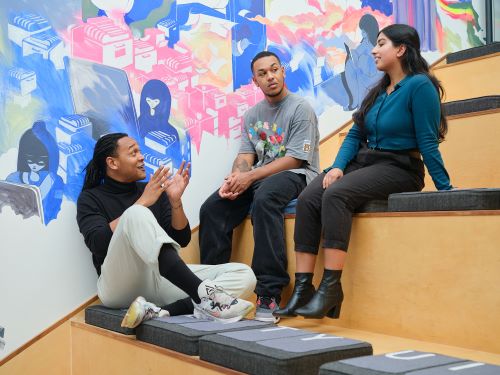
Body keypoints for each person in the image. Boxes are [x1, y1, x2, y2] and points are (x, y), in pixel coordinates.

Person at [274, 24, 453, 320]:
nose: (373, 49)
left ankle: (331, 288)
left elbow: (427, 141)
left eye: (381, 43)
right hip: (364, 162)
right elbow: (355, 135)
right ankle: (304, 288)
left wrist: (445, 190)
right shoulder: (380, 90)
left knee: (335, 195)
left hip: (400, 167)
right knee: (308, 198)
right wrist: (338, 168)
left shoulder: (421, 86)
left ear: (401, 49)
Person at [77, 133, 256, 328]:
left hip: (160, 279)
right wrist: (143, 202)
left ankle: (164, 312)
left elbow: (181, 238)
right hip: (118, 286)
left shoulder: (153, 190)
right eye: (133, 152)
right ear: (112, 163)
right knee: (135, 213)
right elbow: (98, 243)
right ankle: (202, 294)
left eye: (139, 151)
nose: (141, 157)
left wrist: (175, 201)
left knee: (244, 274)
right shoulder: (90, 198)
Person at [199, 51, 320, 323]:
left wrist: (251, 178)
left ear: (283, 71)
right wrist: (235, 179)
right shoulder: (253, 115)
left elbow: (295, 158)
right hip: (261, 178)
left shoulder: (301, 108)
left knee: (265, 198)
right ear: (255, 81)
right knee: (212, 208)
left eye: (274, 70)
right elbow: (245, 156)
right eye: (263, 74)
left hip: (297, 174)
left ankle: (269, 292)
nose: (270, 77)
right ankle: (213, 291)